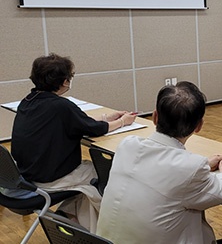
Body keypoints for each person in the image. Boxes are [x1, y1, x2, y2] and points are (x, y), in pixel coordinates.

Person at [97, 82, 222, 244]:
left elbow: (160, 172)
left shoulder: (127, 144)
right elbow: (220, 192)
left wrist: (206, 165)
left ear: (155, 117)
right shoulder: (191, 167)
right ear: (199, 126)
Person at [10, 53, 136, 232]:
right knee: (105, 175)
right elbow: (95, 129)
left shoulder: (28, 102)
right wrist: (123, 122)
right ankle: (111, 229)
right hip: (48, 179)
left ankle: (69, 216)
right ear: (63, 81)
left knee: (88, 180)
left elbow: (79, 121)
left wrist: (107, 117)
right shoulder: (60, 106)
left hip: (27, 173)